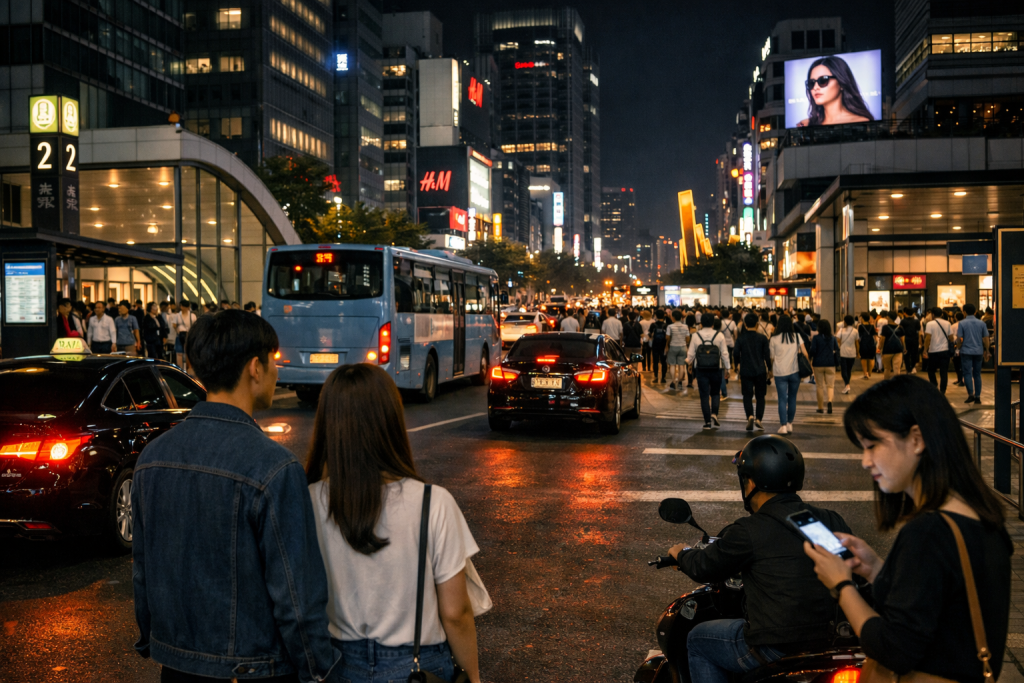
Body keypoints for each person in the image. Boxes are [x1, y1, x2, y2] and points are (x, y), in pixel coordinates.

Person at [132, 310, 341, 682]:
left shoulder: (153, 456)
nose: (278, 372)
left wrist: (153, 640)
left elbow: (144, 567)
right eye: (273, 361)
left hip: (176, 664)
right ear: (255, 368)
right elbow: (295, 597)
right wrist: (319, 670)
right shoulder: (274, 467)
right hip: (253, 669)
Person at [803, 375, 1010, 681]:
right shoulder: (981, 517)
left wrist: (842, 586)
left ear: (916, 439)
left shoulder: (928, 532)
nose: (864, 461)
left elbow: (894, 649)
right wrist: (875, 569)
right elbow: (942, 609)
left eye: (872, 445)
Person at [305, 364, 484, 683]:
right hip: (416, 667)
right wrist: (473, 678)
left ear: (328, 425)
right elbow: (456, 613)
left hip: (336, 665)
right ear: (390, 422)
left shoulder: (308, 501)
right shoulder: (434, 502)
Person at [668, 436, 852, 683]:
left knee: (698, 639)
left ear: (751, 482)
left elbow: (704, 567)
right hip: (832, 643)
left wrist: (681, 554)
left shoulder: (750, 530)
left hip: (775, 648)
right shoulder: (827, 520)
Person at [796, 55, 874, 127]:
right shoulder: (806, 124)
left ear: (841, 83)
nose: (815, 87)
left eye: (823, 80)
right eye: (811, 83)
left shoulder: (862, 122)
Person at [685, 315, 730, 430]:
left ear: (701, 324)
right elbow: (724, 353)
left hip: (701, 369)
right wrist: (728, 368)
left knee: (704, 395)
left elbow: (691, 354)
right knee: (715, 393)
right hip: (716, 368)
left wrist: (689, 364)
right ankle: (714, 413)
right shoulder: (719, 335)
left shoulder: (695, 335)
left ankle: (707, 422)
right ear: (713, 324)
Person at [770, 315, 810, 435]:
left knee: (782, 398)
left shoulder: (774, 339)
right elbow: (805, 353)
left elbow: (772, 357)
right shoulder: (797, 337)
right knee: (792, 398)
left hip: (780, 372)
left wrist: (770, 371)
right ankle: (790, 424)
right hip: (795, 372)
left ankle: (783, 426)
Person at [734, 312, 771, 432]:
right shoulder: (763, 338)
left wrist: (737, 365)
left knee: (747, 395)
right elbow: (767, 355)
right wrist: (769, 369)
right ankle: (759, 419)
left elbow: (735, 353)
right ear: (757, 324)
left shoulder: (741, 339)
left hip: (745, 370)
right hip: (760, 371)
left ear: (744, 324)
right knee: (760, 396)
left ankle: (750, 416)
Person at [956, 303, 990, 405]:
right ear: (975, 312)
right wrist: (987, 351)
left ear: (964, 312)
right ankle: (978, 397)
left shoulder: (962, 323)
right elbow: (986, 338)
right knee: (977, 374)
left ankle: (970, 394)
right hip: (979, 351)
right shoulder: (982, 323)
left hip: (966, 351)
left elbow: (959, 339)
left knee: (967, 373)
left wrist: (957, 348)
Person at [809, 320, 839, 414]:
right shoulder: (833, 338)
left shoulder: (816, 338)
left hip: (818, 363)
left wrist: (810, 358)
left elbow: (813, 350)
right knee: (830, 385)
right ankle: (829, 401)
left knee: (820, 386)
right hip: (830, 363)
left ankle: (820, 407)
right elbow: (837, 349)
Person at [923, 307, 953, 395]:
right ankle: (943, 390)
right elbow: (951, 337)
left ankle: (934, 385)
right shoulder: (947, 323)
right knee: (943, 371)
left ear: (932, 314)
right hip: (945, 351)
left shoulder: (930, 324)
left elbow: (928, 338)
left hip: (933, 351)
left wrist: (925, 350)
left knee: (931, 370)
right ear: (942, 314)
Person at [665, 310, 689, 392]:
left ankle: (673, 381)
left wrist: (666, 346)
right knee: (681, 365)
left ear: (673, 317)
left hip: (673, 346)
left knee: (672, 365)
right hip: (683, 347)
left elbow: (667, 337)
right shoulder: (685, 327)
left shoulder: (670, 327)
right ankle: (679, 382)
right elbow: (688, 338)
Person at [836, 315, 858, 394]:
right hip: (852, 353)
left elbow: (837, 339)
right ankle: (847, 385)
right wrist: (858, 353)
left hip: (843, 352)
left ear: (845, 322)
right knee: (849, 370)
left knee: (843, 370)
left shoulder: (841, 330)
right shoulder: (855, 331)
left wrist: (841, 344)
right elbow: (857, 342)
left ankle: (847, 384)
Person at [173, 300, 197, 371]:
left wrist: (178, 329)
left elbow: (174, 325)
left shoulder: (192, 316)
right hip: (181, 336)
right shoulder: (178, 315)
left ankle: (186, 370)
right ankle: (181, 370)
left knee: (186, 354)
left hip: (186, 336)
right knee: (181, 354)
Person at [720, 312, 738, 401]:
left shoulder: (721, 322)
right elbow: (735, 333)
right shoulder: (733, 322)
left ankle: (725, 370)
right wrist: (736, 340)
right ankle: (728, 369)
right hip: (731, 341)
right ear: (729, 315)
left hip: (722, 341)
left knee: (723, 356)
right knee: (729, 355)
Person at [650, 311, 669, 384]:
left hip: (655, 344)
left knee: (655, 361)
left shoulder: (653, 325)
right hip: (663, 345)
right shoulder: (666, 325)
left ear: (656, 316)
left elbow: (650, 334)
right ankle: (663, 377)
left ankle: (656, 376)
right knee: (663, 361)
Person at [857, 313, 876, 380]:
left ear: (862, 318)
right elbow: (875, 336)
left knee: (864, 358)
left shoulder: (860, 326)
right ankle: (870, 373)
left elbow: (858, 337)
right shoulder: (872, 326)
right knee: (871, 358)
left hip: (863, 343)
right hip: (871, 343)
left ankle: (865, 373)